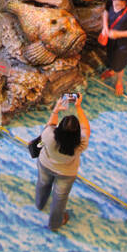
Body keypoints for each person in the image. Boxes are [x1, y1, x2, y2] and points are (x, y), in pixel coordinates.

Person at [34, 95, 89, 231]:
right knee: (60, 198)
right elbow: (86, 128)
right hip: (66, 173)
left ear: (59, 129)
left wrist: (56, 110)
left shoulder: (49, 134)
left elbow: (50, 125)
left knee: (42, 183)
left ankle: (40, 204)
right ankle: (54, 224)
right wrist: (78, 106)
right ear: (77, 134)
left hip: (45, 164)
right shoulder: (81, 143)